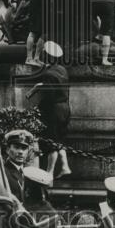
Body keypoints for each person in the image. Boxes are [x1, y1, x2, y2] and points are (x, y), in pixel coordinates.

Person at [25, 41, 72, 178]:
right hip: (65, 108)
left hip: (53, 110)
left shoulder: (48, 74)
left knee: (51, 142)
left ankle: (49, 173)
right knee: (60, 139)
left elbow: (49, 95)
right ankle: (65, 166)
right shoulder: (62, 70)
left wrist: (38, 108)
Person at [3, 129, 33, 202]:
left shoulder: (29, 173)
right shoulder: (2, 172)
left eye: (24, 148)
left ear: (28, 151)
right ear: (7, 150)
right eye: (16, 147)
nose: (20, 152)